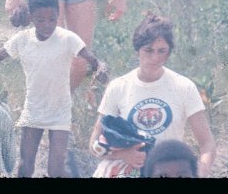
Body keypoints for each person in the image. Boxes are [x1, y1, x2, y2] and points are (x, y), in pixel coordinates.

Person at [0, 0, 106, 178]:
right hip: (34, 111)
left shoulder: (67, 38)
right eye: (40, 20)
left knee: (55, 171)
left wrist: (101, 70)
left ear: (58, 15)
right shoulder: (22, 40)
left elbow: (96, 62)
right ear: (31, 17)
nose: (47, 25)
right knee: (24, 168)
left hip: (60, 112)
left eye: (52, 19)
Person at [88, 12, 216, 178]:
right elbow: (94, 144)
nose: (155, 57)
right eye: (148, 50)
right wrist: (123, 155)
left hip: (167, 170)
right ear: (137, 50)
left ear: (169, 52)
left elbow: (207, 143)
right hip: (127, 169)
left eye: (162, 51)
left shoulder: (184, 87)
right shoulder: (118, 87)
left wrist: (202, 169)